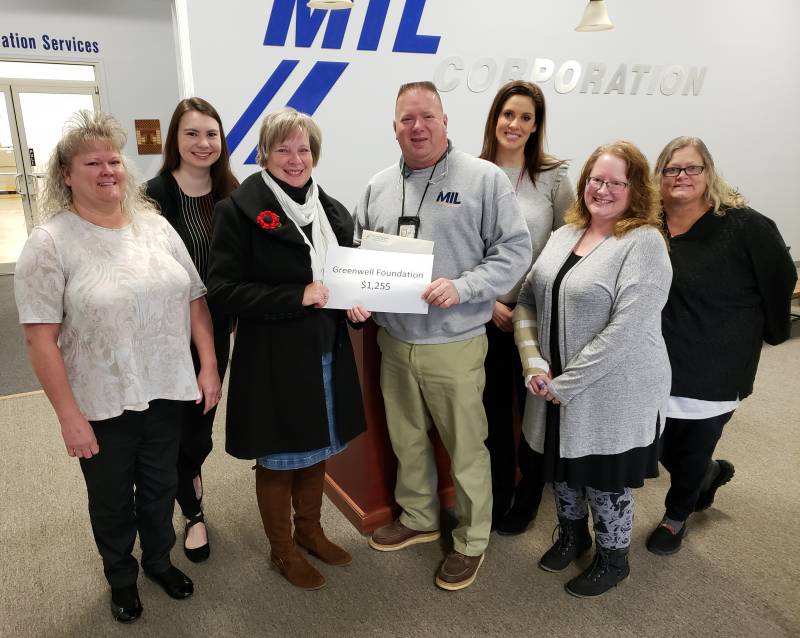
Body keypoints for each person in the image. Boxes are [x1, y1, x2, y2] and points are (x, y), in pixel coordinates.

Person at [14, 110, 221, 622]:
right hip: (102, 399)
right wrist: (68, 415)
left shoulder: (155, 227)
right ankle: (120, 577)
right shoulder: (50, 242)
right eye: (92, 162)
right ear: (66, 173)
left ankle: (157, 561)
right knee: (110, 499)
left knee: (159, 487)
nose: (108, 170)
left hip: (167, 387)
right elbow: (40, 339)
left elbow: (195, 299)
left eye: (114, 160)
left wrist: (209, 364)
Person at [349, 81, 532, 591]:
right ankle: (419, 518)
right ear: (395, 127)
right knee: (407, 439)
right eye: (407, 119)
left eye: (427, 116)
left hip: (455, 341)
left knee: (467, 446)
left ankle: (472, 541)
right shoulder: (379, 185)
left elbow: (515, 251)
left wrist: (466, 286)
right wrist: (359, 294)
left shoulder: (483, 179)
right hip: (394, 340)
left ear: (446, 121)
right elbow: (363, 255)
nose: (418, 127)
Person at [207, 107, 365, 591]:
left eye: (304, 149)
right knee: (279, 457)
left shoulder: (331, 210)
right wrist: (294, 295)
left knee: (317, 445)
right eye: (283, 149)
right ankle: (282, 550)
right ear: (264, 153)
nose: (295, 159)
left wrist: (357, 300)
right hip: (273, 355)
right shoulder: (237, 209)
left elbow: (346, 275)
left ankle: (311, 531)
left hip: (324, 348)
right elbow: (222, 289)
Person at [514, 141, 672, 597]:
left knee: (605, 481)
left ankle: (612, 558)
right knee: (561, 468)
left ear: (636, 189)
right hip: (551, 385)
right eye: (595, 180)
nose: (602, 190)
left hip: (612, 390)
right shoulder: (566, 234)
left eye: (615, 182)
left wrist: (567, 384)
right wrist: (533, 362)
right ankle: (572, 535)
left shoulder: (643, 242)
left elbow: (628, 330)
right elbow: (527, 299)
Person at [645, 136, 797, 555]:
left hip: (716, 362)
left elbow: (781, 278)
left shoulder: (744, 225)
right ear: (659, 176)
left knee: (693, 446)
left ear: (708, 174)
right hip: (657, 359)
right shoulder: (648, 223)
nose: (682, 177)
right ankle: (710, 475)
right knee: (655, 446)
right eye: (672, 169)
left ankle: (677, 515)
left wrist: (769, 332)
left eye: (692, 168)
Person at [145, 97, 239, 563]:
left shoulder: (233, 194)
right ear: (175, 140)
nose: (203, 144)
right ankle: (191, 510)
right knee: (170, 428)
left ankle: (190, 492)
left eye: (211, 134)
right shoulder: (152, 197)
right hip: (164, 334)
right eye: (192, 134)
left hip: (216, 330)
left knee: (200, 427)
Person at [478, 80, 573, 534]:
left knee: (535, 409)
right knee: (494, 410)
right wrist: (489, 301)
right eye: (508, 114)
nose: (514, 125)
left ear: (536, 126)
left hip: (534, 316)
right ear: (495, 118)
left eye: (526, 117)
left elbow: (566, 246)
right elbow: (460, 250)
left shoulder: (554, 177)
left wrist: (524, 307)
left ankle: (532, 491)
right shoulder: (471, 172)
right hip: (484, 314)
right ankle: (498, 493)